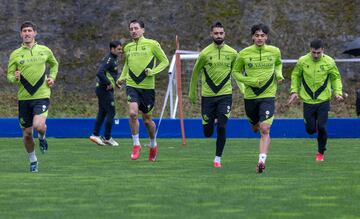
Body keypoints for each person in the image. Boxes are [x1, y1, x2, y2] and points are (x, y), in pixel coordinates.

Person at [7, 21, 59, 172]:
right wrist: (15, 77)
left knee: (38, 125)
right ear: (21, 34)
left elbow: (54, 64)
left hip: (42, 95)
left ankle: (42, 137)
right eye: (24, 31)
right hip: (24, 98)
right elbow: (9, 76)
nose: (27, 33)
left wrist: (52, 77)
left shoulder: (44, 50)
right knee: (28, 133)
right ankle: (33, 161)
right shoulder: (15, 54)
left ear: (35, 33)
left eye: (30, 30)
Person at [232, 23, 284, 173]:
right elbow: (236, 72)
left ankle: (261, 160)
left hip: (268, 94)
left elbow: (278, 64)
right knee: (255, 128)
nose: (260, 38)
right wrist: (250, 82)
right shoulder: (244, 53)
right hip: (250, 96)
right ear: (252, 37)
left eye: (262, 35)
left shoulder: (274, 51)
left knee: (265, 128)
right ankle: (254, 123)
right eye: (257, 35)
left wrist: (279, 75)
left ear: (266, 37)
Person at [116, 19, 169, 162]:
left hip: (147, 89)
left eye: (136, 28)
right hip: (132, 85)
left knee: (147, 120)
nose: (133, 31)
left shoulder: (152, 44)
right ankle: (136, 144)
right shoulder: (128, 47)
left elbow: (165, 61)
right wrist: (121, 78)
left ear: (143, 30)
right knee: (132, 113)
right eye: (131, 29)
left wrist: (152, 71)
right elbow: (127, 65)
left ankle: (153, 144)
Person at [189, 22, 237, 168]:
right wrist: (192, 93)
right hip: (208, 97)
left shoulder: (233, 53)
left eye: (221, 33)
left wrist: (243, 88)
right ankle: (210, 121)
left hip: (225, 95)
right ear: (211, 34)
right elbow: (195, 73)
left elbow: (237, 73)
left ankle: (217, 158)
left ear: (225, 34)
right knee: (208, 133)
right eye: (216, 33)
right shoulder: (204, 54)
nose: (218, 36)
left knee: (222, 127)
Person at [288, 39, 343, 161]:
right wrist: (294, 91)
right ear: (310, 50)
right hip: (308, 101)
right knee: (310, 130)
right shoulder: (302, 61)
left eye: (318, 52)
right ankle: (313, 125)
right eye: (314, 52)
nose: (316, 55)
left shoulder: (330, 62)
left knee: (322, 127)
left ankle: (320, 152)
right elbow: (295, 76)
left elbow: (336, 78)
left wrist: (337, 92)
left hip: (323, 101)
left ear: (323, 50)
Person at [89, 41, 123, 146]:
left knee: (103, 112)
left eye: (121, 49)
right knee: (111, 112)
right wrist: (108, 83)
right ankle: (107, 137)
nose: (121, 51)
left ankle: (95, 134)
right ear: (112, 49)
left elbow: (109, 74)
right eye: (118, 49)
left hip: (104, 89)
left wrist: (115, 83)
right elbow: (99, 72)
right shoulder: (109, 59)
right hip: (104, 90)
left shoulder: (114, 59)